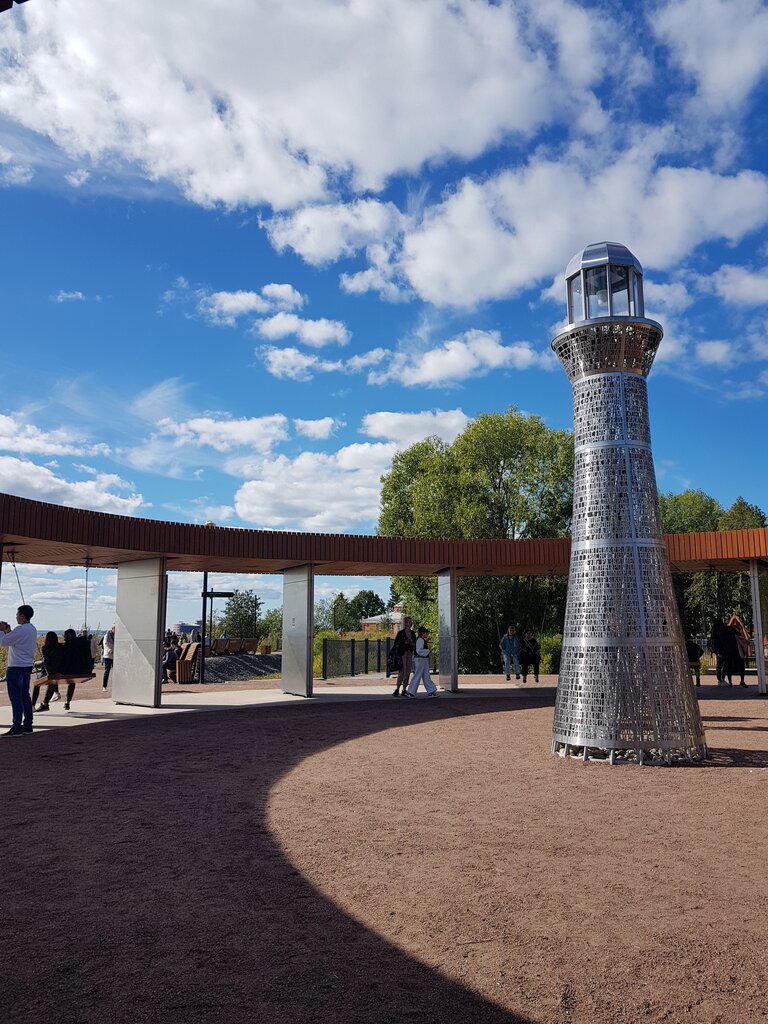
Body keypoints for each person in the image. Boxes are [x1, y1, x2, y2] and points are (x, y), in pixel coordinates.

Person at [0, 604, 37, 736]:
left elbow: (3, 642)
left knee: (15, 698)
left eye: (17, 614)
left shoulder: (20, 629)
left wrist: (1, 630)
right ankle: (28, 725)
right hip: (27, 666)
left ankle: (17, 726)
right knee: (25, 696)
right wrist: (9, 632)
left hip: (15, 667)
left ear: (22, 615)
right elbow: (15, 641)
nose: (15, 617)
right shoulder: (32, 629)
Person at [33, 631, 64, 711]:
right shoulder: (60, 647)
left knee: (36, 684)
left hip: (50, 671)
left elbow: (46, 662)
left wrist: (49, 673)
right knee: (53, 682)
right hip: (59, 671)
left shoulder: (45, 648)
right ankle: (46, 703)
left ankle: (32, 705)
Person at [406, 627, 438, 697]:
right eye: (426, 633)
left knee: (426, 675)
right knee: (418, 675)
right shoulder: (420, 640)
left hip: (422, 659)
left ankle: (431, 691)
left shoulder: (421, 640)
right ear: (423, 633)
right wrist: (428, 651)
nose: (427, 634)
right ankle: (410, 692)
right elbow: (419, 650)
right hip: (420, 659)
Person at [391, 616, 415, 697]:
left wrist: (411, 643)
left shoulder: (413, 633)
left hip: (409, 653)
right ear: (405, 623)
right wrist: (404, 643)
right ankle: (397, 688)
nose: (410, 623)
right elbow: (396, 644)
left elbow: (414, 643)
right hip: (402, 654)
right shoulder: (401, 633)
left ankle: (404, 689)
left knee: (408, 671)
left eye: (411, 621)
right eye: (409, 621)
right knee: (402, 671)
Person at [728, 614, 750, 687]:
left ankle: (732, 682)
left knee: (732, 667)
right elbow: (746, 641)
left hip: (733, 653)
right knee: (739, 667)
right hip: (736, 653)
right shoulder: (737, 635)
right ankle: (739, 681)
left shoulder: (732, 634)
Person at [101, 624, 115, 690]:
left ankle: (116, 686)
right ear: (112, 629)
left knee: (116, 671)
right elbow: (105, 644)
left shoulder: (117, 635)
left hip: (115, 656)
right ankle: (104, 686)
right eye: (114, 628)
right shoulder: (107, 635)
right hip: (108, 655)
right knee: (107, 671)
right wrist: (109, 650)